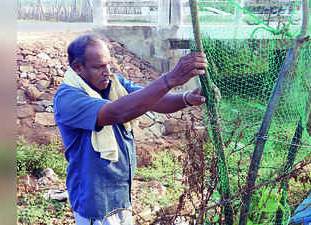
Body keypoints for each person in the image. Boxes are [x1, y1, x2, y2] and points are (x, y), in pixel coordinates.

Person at [53, 33, 207, 225]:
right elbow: (116, 113)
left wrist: (186, 99)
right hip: (95, 202)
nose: (107, 71)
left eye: (108, 64)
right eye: (99, 66)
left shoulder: (114, 85)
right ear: (78, 67)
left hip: (120, 194)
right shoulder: (68, 98)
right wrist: (169, 79)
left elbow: (152, 100)